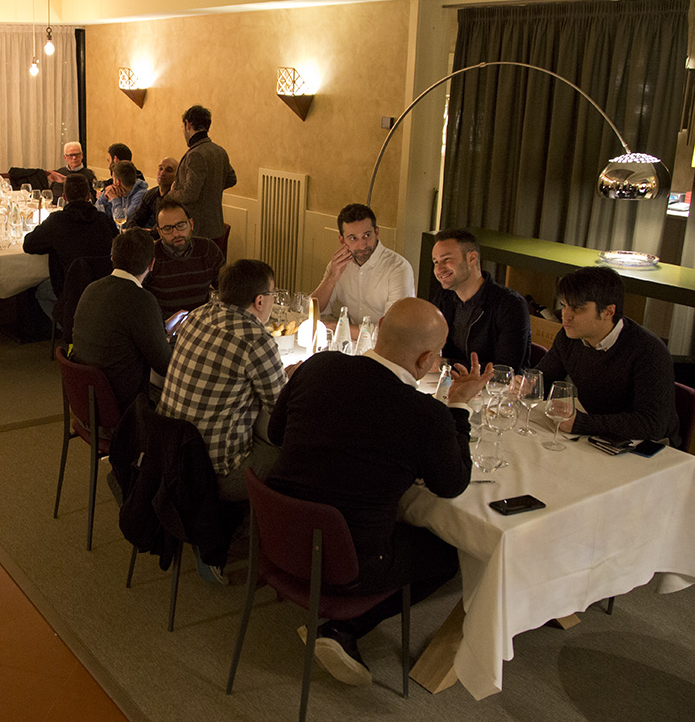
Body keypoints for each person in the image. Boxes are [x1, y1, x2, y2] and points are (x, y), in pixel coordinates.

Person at [266, 298, 491, 686]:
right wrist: (458, 406)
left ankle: (340, 627)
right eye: (437, 354)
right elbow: (452, 485)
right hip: (349, 563)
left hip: (276, 534)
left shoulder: (318, 365)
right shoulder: (426, 415)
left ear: (381, 326)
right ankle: (343, 627)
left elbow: (275, 434)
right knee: (448, 551)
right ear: (425, 360)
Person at [159, 259, 293, 506]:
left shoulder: (198, 315)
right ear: (260, 301)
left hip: (170, 456)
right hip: (216, 475)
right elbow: (282, 412)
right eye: (272, 294)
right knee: (290, 454)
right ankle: (261, 524)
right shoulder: (255, 339)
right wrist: (295, 380)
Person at [537, 266, 680, 444]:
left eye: (578, 308)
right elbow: (544, 380)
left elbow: (652, 424)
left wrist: (583, 423)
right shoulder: (570, 337)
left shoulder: (648, 351)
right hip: (597, 434)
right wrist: (526, 387)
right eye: (564, 306)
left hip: (646, 447)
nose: (566, 316)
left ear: (608, 311)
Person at [71, 229, 173, 411]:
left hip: (85, 397)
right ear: (152, 264)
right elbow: (164, 365)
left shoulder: (92, 289)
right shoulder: (141, 299)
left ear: (113, 258)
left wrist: (160, 327)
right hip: (122, 405)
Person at [430, 229, 531, 371]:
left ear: (472, 258)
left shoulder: (510, 304)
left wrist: (445, 365)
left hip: (493, 386)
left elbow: (504, 369)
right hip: (451, 381)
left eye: (447, 259)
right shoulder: (444, 297)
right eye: (436, 262)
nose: (439, 269)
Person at [23, 174, 119, 320]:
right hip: (104, 287)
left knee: (40, 292)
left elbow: (28, 245)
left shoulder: (57, 221)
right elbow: (117, 240)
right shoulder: (103, 219)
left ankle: (69, 327)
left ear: (64, 197)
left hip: (70, 290)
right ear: (89, 196)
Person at [310, 203, 414, 331]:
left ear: (377, 232)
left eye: (367, 235)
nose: (362, 245)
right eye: (353, 238)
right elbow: (313, 310)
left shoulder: (398, 268)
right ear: (342, 240)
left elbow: (392, 329)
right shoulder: (339, 264)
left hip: (387, 342)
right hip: (351, 339)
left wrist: (338, 328)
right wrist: (331, 277)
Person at [144, 197, 224, 318]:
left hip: (201, 322)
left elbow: (225, 290)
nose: (176, 233)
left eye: (181, 225)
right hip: (164, 325)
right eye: (167, 229)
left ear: (191, 224)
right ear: (159, 232)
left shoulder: (208, 249)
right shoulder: (150, 256)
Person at [169, 104, 236, 239]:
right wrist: (211, 188)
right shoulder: (219, 151)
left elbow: (189, 195)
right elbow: (231, 179)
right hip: (216, 226)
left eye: (182, 127)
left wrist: (172, 193)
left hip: (198, 229)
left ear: (188, 124)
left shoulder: (196, 154)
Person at [127, 156, 178, 230]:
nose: (162, 173)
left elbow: (165, 226)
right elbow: (135, 219)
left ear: (177, 176)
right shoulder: (150, 194)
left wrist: (148, 233)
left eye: (169, 170)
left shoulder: (177, 198)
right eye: (160, 168)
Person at [95, 160, 147, 225]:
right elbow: (97, 213)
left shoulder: (141, 195)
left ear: (118, 182)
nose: (112, 183)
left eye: (113, 179)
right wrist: (105, 194)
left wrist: (114, 199)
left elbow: (124, 223)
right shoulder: (117, 191)